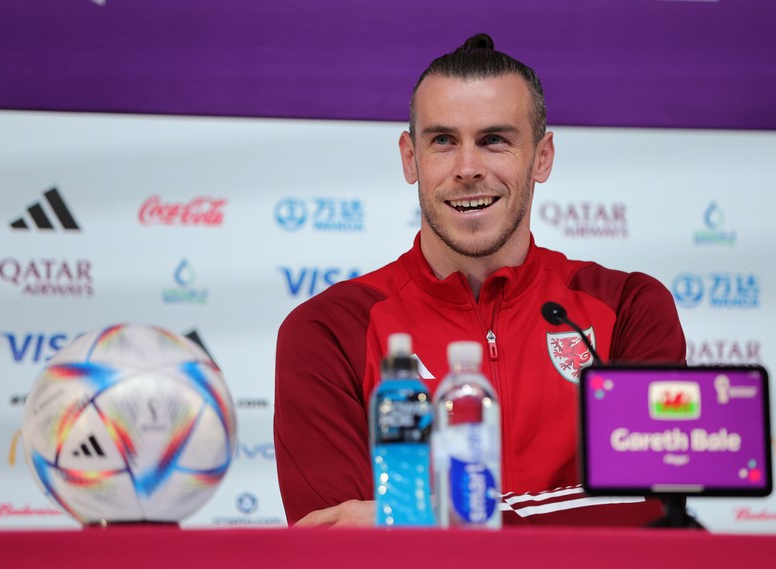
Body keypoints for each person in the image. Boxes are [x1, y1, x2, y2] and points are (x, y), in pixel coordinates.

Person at [274, 33, 686, 527]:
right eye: (443, 141)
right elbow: (336, 539)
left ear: (542, 157)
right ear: (411, 159)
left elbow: (649, 514)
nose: (468, 169)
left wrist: (422, 517)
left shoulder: (628, 307)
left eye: (494, 140)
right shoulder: (327, 329)